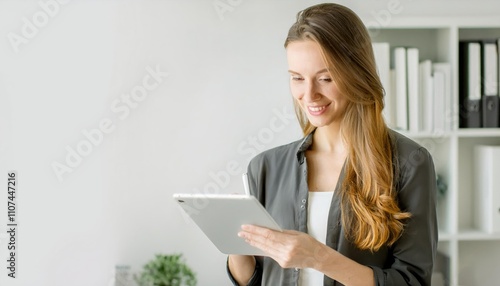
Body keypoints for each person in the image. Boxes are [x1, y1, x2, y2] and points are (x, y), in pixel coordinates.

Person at [227, 3, 437, 286]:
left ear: (357, 73)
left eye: (325, 78)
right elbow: (252, 280)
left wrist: (318, 257)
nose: (309, 95)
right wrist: (234, 243)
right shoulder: (265, 167)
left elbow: (411, 281)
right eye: (297, 79)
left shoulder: (409, 162)